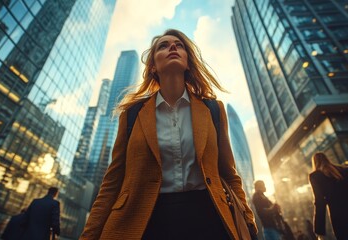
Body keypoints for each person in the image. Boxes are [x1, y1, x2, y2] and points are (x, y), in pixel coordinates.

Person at [80, 29, 257, 239]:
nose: (172, 47)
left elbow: (229, 174)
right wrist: (89, 235)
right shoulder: (132, 115)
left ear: (188, 62)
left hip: (209, 219)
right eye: (163, 46)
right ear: (153, 66)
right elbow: (112, 182)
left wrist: (248, 221)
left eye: (179, 45)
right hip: (147, 221)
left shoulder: (213, 110)